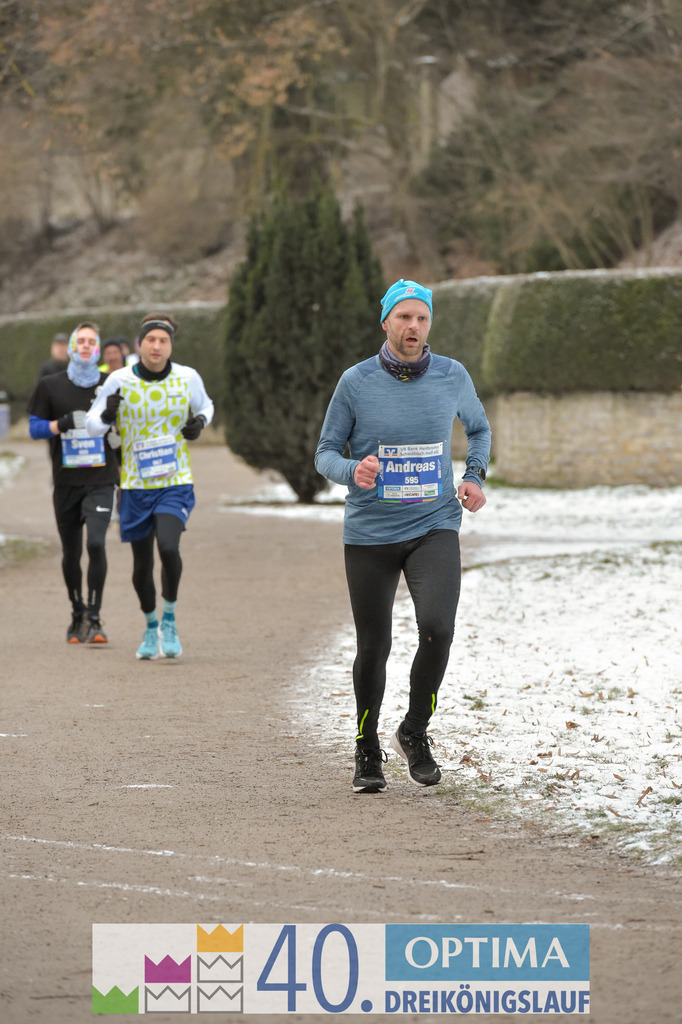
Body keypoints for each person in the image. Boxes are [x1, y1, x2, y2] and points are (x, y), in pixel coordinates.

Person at [315, 279, 491, 793]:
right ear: (386, 322)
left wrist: (474, 476)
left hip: (434, 523)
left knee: (438, 628)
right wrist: (353, 472)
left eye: (422, 318)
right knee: (375, 646)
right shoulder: (356, 381)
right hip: (370, 531)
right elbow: (326, 451)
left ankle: (414, 731)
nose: (413, 327)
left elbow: (478, 429)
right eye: (404, 318)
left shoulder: (452, 375)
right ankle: (366, 746)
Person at [85, 313, 214, 660]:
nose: (156, 346)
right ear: (140, 344)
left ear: (171, 345)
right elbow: (92, 424)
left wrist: (199, 422)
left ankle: (169, 617)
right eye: (151, 340)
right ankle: (150, 624)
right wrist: (107, 415)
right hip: (134, 486)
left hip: (175, 481)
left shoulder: (187, 377)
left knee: (169, 548)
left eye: (163, 341)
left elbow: (207, 405)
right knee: (141, 564)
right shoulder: (118, 380)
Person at [27, 322, 119, 643]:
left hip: (101, 478)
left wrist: (117, 432)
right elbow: (34, 428)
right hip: (66, 481)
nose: (85, 346)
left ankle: (94, 617)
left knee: (96, 542)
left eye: (91, 341)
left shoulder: (111, 384)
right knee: (71, 552)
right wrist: (60, 424)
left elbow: (127, 425)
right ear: (70, 348)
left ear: (98, 349)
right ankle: (76, 612)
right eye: (79, 341)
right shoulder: (51, 386)